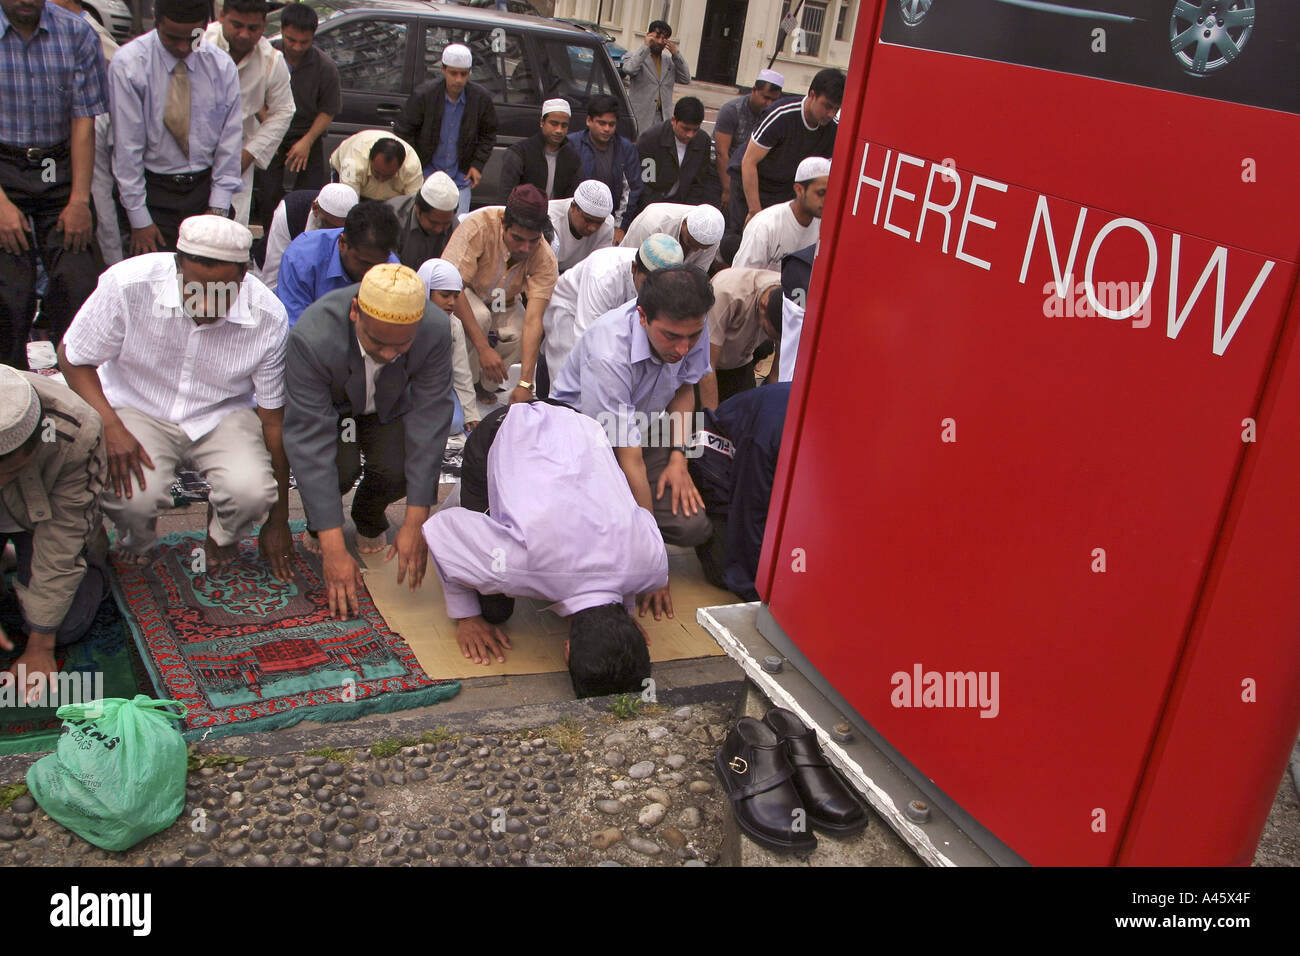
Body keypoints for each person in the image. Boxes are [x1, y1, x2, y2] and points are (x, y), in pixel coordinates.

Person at [58, 215, 293, 574]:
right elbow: (72, 357)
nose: (206, 301)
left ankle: (222, 536)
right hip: (138, 404)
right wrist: (111, 425)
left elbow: (272, 421)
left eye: (221, 291)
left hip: (222, 412)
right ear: (177, 265)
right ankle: (137, 537)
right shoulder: (127, 284)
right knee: (133, 498)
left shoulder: (269, 316)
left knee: (252, 493)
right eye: (195, 287)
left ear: (244, 275)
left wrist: (277, 521)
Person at [423, 400, 666, 692]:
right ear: (566, 649)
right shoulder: (515, 567)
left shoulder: (653, 565)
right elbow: (440, 529)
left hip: (578, 420)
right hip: (505, 426)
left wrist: (622, 622)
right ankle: (471, 503)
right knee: (493, 609)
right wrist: (467, 616)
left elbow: (634, 544)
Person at [283, 263, 454, 620]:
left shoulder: (436, 328)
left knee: (401, 467)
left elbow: (430, 417)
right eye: (377, 343)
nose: (390, 354)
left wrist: (415, 521)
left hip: (387, 409)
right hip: (335, 411)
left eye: (401, 345)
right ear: (354, 312)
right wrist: (332, 549)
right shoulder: (313, 337)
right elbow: (310, 443)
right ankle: (321, 525)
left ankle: (368, 514)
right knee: (336, 471)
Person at [550, 265, 714, 554]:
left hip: (640, 431)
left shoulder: (691, 327)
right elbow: (628, 454)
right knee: (586, 536)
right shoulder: (609, 351)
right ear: (642, 316)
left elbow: (685, 387)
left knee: (692, 527)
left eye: (693, 336)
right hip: (582, 442)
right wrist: (650, 554)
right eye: (671, 336)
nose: (683, 348)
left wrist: (679, 457)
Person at [0, 0, 108, 368]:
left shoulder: (76, 32)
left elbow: (83, 121)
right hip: (4, 167)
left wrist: (79, 200)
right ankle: (12, 397)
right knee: (10, 294)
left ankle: (78, 394)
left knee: (77, 282)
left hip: (57, 164)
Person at [0, 367, 109, 704]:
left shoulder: (75, 431)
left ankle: (95, 564)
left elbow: (61, 540)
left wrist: (40, 644)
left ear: (32, 449)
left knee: (64, 627)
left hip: (40, 521)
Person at [109, 0, 243, 254]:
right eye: (172, 38)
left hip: (204, 190)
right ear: (156, 22)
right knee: (154, 281)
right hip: (153, 192)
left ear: (205, 27)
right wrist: (139, 220)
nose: (183, 47)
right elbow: (127, 148)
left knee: (204, 284)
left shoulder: (221, 66)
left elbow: (230, 143)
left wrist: (217, 209)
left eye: (192, 38)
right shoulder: (129, 64)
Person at [441, 184, 557, 407]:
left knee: (520, 329)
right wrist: (483, 348)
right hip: (465, 293)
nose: (525, 248)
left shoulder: (544, 256)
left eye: (533, 240)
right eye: (518, 238)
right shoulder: (479, 226)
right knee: (480, 317)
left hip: (503, 301)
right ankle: (459, 384)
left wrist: (525, 384)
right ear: (504, 223)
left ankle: (483, 385)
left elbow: (534, 320)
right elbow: (451, 287)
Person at [540, 232, 683, 394]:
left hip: (616, 319)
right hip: (571, 310)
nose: (655, 294)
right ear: (634, 268)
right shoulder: (602, 275)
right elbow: (586, 337)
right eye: (648, 284)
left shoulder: (675, 285)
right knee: (570, 381)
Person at [689, 382, 791, 601]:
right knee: (725, 570)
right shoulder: (768, 437)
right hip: (712, 456)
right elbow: (750, 509)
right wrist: (757, 592)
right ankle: (709, 521)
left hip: (757, 448)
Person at [202, 0, 293, 226]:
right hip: (189, 150)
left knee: (227, 229)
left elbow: (284, 110)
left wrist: (249, 153)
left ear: (264, 25)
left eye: (253, 28)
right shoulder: (200, 42)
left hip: (238, 153)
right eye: (237, 25)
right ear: (222, 17)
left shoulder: (271, 59)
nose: (244, 34)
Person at [731, 68, 843, 230]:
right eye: (827, 106)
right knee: (746, 239)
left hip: (785, 188)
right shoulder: (781, 115)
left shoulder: (833, 130)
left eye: (836, 109)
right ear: (812, 95)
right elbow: (749, 162)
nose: (831, 114)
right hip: (751, 182)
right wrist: (755, 212)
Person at [261, 1, 340, 224]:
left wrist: (307, 141)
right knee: (267, 196)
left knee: (309, 197)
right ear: (283, 31)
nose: (296, 47)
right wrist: (270, 128)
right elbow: (252, 96)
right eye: (291, 40)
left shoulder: (325, 67)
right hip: (269, 130)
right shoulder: (266, 56)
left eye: (303, 42)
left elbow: (328, 110)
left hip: (306, 133)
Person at [394, 43, 496, 214]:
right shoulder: (425, 95)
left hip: (459, 179)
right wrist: (416, 168)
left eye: (463, 74)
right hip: (426, 176)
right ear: (443, 69)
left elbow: (488, 134)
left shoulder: (480, 99)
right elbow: (404, 132)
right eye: (453, 73)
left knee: (457, 231)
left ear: (469, 73)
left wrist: (477, 165)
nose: (458, 79)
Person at [276, 200, 400, 326]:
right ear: (342, 243)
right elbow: (295, 328)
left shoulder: (392, 270)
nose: (370, 272)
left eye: (378, 265)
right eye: (364, 263)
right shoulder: (301, 258)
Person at [697, 268, 783, 410]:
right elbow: (706, 363)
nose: (769, 337)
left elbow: (778, 371)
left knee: (748, 416)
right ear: (764, 305)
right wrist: (711, 422)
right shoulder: (727, 293)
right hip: (705, 362)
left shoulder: (790, 298)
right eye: (768, 332)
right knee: (700, 422)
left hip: (741, 362)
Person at [731, 156, 828, 271]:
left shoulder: (826, 227)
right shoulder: (765, 225)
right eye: (821, 193)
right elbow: (740, 277)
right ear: (799, 189)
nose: (827, 199)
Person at [416, 258, 478, 432]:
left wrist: (471, 414)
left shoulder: (453, 324)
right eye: (445, 295)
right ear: (426, 290)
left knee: (454, 423)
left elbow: (461, 372)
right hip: (407, 390)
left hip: (437, 389)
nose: (451, 302)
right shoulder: (406, 321)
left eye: (456, 296)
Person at [257, 181, 357, 291]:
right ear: (315, 209)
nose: (334, 234)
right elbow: (272, 278)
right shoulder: (290, 211)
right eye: (330, 225)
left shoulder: (357, 224)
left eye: (340, 229)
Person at [568, 93, 641, 241]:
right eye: (601, 123)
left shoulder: (625, 148)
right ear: (589, 121)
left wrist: (619, 226)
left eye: (611, 124)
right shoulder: (572, 145)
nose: (607, 129)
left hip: (608, 224)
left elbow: (631, 190)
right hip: (576, 221)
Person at [635, 96, 719, 216]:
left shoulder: (703, 141)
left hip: (682, 208)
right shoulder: (650, 139)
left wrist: (688, 212)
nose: (690, 135)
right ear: (674, 120)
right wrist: (657, 214)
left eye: (695, 130)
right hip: (651, 208)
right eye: (685, 129)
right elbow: (645, 184)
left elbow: (698, 183)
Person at [713, 70, 783, 210]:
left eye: (774, 100)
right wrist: (727, 190)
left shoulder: (775, 115)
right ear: (754, 90)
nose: (769, 104)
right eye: (766, 97)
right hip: (724, 175)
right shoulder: (731, 110)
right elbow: (721, 153)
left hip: (752, 177)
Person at [499, 98, 579, 200]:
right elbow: (505, 197)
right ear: (542, 122)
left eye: (564, 125)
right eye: (554, 124)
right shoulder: (519, 153)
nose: (559, 130)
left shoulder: (572, 158)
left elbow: (571, 199)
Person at [621, 19, 690, 135]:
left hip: (662, 118)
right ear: (649, 36)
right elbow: (629, 69)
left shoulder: (670, 62)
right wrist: (645, 46)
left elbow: (686, 79)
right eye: (657, 37)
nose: (660, 42)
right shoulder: (636, 56)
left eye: (664, 39)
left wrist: (676, 54)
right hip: (641, 116)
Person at [620, 202, 724, 275]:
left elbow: (696, 275)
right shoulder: (652, 223)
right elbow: (628, 262)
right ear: (684, 224)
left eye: (702, 248)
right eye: (691, 243)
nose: (696, 250)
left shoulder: (713, 237)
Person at [387, 170, 460, 270]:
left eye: (445, 224)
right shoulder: (392, 217)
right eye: (433, 223)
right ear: (417, 209)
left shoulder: (456, 228)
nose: (439, 229)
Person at [328, 129, 423, 201]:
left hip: (392, 198)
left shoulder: (412, 167)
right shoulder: (352, 161)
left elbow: (412, 206)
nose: (381, 180)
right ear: (370, 159)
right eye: (376, 173)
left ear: (400, 167)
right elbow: (347, 204)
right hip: (351, 181)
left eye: (387, 176)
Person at [547, 180, 614, 274]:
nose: (593, 228)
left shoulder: (607, 224)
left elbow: (599, 267)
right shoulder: (549, 218)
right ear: (573, 207)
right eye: (588, 220)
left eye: (599, 223)